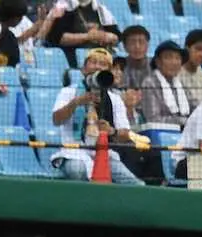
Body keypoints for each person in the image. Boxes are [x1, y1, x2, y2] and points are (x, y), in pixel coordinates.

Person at [50, 47, 142, 185]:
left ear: (109, 72)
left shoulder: (115, 99)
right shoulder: (69, 92)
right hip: (74, 151)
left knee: (135, 184)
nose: (98, 66)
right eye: (93, 62)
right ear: (84, 68)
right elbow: (56, 120)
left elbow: (126, 134)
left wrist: (112, 131)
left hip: (104, 153)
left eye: (103, 64)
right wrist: (76, 102)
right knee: (77, 170)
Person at [140, 40, 192, 130]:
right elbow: (153, 119)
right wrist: (184, 121)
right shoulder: (149, 83)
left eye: (177, 58)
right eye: (169, 58)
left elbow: (193, 109)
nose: (174, 62)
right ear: (158, 62)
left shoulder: (181, 84)